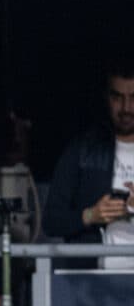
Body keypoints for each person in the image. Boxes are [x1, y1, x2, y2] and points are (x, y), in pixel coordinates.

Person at [45, 56, 134, 268]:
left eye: (133, 97)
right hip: (93, 286)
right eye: (117, 97)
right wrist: (91, 215)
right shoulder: (82, 150)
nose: (126, 108)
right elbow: (51, 221)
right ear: (106, 97)